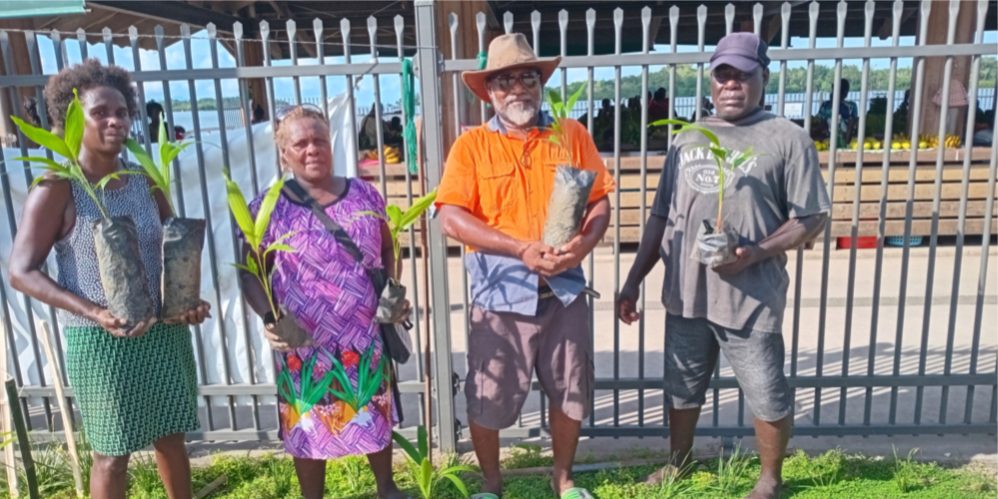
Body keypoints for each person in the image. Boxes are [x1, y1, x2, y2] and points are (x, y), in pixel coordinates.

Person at [616, 32, 830, 499]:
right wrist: (633, 279)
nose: (732, 84)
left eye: (743, 75)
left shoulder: (786, 138)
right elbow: (660, 216)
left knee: (766, 389)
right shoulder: (689, 137)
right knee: (682, 387)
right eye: (723, 75)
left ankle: (770, 477)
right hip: (686, 292)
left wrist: (754, 252)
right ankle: (679, 459)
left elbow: (812, 217)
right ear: (711, 82)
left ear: (763, 78)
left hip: (751, 296)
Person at [8, 59, 210, 499]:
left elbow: (173, 253)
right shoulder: (57, 187)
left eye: (122, 112)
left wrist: (187, 302)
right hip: (100, 341)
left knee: (172, 436)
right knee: (112, 452)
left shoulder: (144, 180)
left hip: (161, 331)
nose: (115, 121)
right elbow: (20, 272)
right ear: (73, 119)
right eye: (101, 113)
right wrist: (94, 311)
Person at [436, 33, 615, 499]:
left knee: (570, 390)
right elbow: (449, 216)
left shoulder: (570, 135)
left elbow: (598, 202)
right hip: (499, 297)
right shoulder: (472, 145)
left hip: (564, 291)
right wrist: (518, 249)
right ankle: (492, 485)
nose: (518, 89)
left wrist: (581, 247)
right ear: (489, 91)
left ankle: (564, 481)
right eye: (505, 81)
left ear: (540, 84)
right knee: (489, 396)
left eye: (527, 77)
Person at [238, 104, 406, 499]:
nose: (312, 149)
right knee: (309, 418)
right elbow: (250, 272)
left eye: (319, 140)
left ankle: (386, 486)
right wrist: (271, 318)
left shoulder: (364, 192)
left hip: (362, 330)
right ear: (284, 154)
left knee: (372, 405)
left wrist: (392, 293)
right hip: (304, 337)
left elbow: (385, 247)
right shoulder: (269, 205)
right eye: (301, 143)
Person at [817, 78, 859, 144]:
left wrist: (846, 142)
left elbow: (852, 125)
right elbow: (820, 123)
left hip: (844, 139)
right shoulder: (825, 105)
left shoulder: (851, 106)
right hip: (827, 140)